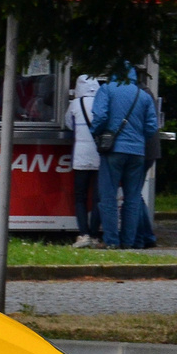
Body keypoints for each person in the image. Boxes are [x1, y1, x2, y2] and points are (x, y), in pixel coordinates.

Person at [90, 62, 159, 249]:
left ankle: (112, 242)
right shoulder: (143, 95)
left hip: (113, 151)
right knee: (133, 198)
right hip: (137, 153)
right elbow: (152, 127)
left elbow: (100, 117)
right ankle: (128, 243)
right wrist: (137, 138)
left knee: (108, 197)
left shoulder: (106, 90)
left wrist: (96, 134)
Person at [64, 74, 103, 247]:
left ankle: (83, 233)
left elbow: (68, 124)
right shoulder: (102, 102)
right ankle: (95, 234)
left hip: (80, 155)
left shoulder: (75, 104)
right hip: (100, 156)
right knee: (97, 197)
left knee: (80, 196)